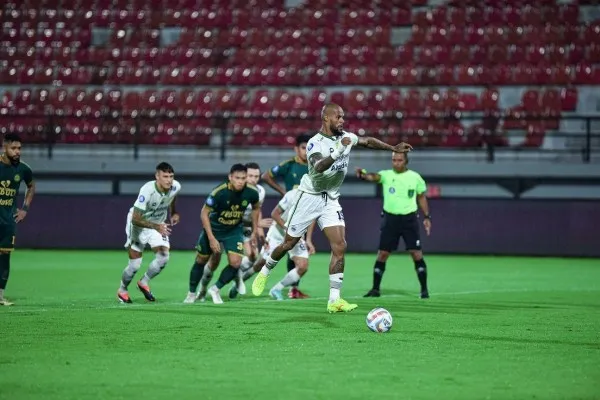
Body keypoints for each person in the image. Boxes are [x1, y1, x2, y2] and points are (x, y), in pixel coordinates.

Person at [251, 103, 412, 313]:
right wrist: (338, 151)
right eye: (338, 117)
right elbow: (318, 166)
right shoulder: (314, 143)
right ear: (326, 118)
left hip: (330, 199)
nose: (342, 121)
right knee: (289, 243)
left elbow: (366, 141)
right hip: (309, 196)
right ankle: (265, 270)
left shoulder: (345, 136)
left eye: (343, 117)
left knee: (340, 245)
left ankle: (334, 299)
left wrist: (392, 148)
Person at [184, 163, 263, 304]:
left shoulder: (252, 192)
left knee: (236, 262)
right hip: (214, 229)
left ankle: (215, 288)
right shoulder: (219, 192)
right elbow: (204, 213)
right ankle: (191, 293)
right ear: (230, 177)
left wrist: (255, 231)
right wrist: (212, 238)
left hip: (233, 230)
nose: (240, 181)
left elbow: (256, 209)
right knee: (201, 260)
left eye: (243, 178)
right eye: (237, 178)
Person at [356, 152, 432, 299]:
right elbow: (374, 177)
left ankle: (424, 290)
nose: (396, 163)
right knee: (383, 253)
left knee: (416, 253)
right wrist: (364, 175)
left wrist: (427, 216)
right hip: (390, 219)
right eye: (394, 160)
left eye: (399, 160)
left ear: (406, 161)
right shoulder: (386, 175)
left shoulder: (415, 177)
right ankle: (375, 289)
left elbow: (421, 197)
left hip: (409, 219)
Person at [117, 162, 180, 303]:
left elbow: (172, 196)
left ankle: (143, 282)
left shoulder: (175, 186)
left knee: (164, 257)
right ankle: (122, 289)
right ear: (157, 176)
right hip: (139, 225)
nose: (169, 180)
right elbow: (135, 219)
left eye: (171, 176)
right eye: (165, 176)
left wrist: (174, 212)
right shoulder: (147, 190)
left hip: (158, 224)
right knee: (135, 265)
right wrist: (155, 226)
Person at [261, 134, 312, 299]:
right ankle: (290, 288)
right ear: (296, 149)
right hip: (287, 213)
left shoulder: (314, 167)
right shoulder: (289, 165)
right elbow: (265, 176)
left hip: (304, 214)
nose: (306, 152)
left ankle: (292, 289)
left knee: (296, 253)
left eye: (309, 148)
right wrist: (284, 193)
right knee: (278, 253)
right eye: (303, 148)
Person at [241, 188, 315, 299]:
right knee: (261, 263)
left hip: (297, 234)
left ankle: (276, 289)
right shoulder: (292, 195)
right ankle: (239, 281)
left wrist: (308, 239)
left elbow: (311, 219)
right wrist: (288, 229)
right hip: (278, 233)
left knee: (302, 266)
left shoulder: (317, 199)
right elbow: (275, 214)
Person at [0, 134, 35, 306]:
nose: (17, 152)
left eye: (19, 148)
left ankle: (0, 296)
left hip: (7, 221)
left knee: (4, 256)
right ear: (4, 147)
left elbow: (31, 186)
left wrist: (24, 210)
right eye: (13, 148)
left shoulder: (23, 169)